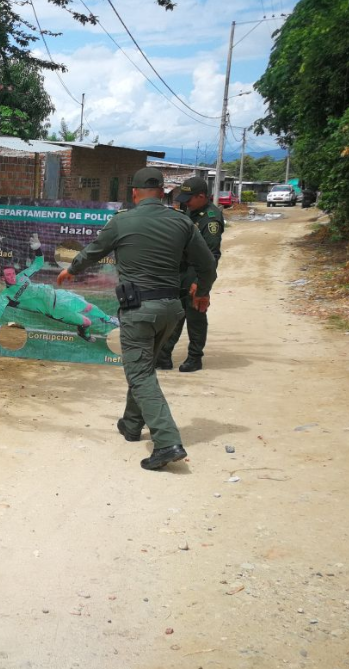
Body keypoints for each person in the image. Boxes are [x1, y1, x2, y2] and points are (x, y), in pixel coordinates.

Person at [57, 167, 217, 471]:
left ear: (134, 193)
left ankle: (167, 441)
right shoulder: (183, 222)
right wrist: (202, 291)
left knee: (140, 373)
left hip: (139, 310)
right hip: (172, 309)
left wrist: (72, 269)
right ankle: (131, 424)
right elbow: (208, 264)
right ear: (162, 192)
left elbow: (93, 252)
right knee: (142, 366)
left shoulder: (122, 221)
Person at [156, 176, 224, 372]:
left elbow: (211, 256)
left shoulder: (210, 218)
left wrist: (200, 283)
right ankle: (164, 356)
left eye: (189, 198)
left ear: (201, 196)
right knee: (175, 314)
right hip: (180, 273)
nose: (185, 202)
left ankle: (195, 357)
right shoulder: (190, 211)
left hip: (195, 274)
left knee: (195, 317)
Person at [0, 256, 119, 340]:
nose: (13, 276)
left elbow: (38, 264)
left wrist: (37, 249)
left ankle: (108, 319)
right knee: (87, 322)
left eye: (13, 273)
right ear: (2, 278)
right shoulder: (6, 295)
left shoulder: (23, 275)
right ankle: (84, 334)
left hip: (59, 295)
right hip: (55, 310)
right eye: (8, 275)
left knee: (88, 307)